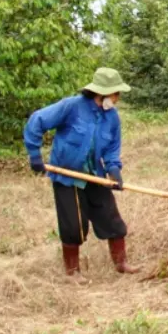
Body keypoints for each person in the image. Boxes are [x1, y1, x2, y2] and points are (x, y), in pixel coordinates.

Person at [23, 67, 140, 279]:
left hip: (94, 175)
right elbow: (37, 120)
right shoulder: (71, 107)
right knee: (73, 226)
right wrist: (35, 155)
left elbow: (112, 148)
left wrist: (114, 171)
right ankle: (73, 273)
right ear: (104, 93)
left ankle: (121, 263)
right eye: (116, 93)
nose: (118, 98)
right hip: (67, 177)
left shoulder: (112, 118)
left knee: (112, 220)